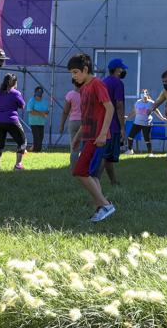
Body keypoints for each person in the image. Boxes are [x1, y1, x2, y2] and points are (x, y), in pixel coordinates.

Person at [68, 53, 116, 223]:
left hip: (97, 138)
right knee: (93, 175)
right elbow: (87, 116)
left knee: (80, 171)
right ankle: (100, 209)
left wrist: (103, 133)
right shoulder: (83, 88)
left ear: (85, 69)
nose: (73, 76)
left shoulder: (97, 84)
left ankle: (106, 205)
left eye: (75, 72)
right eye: (71, 73)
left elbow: (110, 108)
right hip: (88, 137)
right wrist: (77, 136)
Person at [0, 73, 28, 170]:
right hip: (11, 120)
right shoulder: (15, 93)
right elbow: (22, 105)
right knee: (22, 141)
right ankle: (18, 165)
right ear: (15, 82)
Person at [100, 59, 128, 185]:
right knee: (104, 156)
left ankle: (113, 181)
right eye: (122, 68)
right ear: (117, 70)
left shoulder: (103, 82)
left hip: (102, 123)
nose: (123, 70)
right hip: (113, 125)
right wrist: (122, 127)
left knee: (108, 156)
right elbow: (119, 105)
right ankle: (94, 182)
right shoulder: (118, 83)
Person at [127, 89, 162, 155]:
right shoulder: (137, 102)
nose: (143, 94)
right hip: (137, 123)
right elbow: (134, 112)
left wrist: (162, 118)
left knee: (147, 139)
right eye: (142, 93)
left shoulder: (151, 103)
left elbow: (156, 111)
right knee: (130, 136)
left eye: (145, 93)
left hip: (146, 124)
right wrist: (128, 117)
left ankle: (150, 153)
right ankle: (130, 150)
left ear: (147, 94)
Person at [60, 80, 83, 161]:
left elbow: (65, 112)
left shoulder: (70, 95)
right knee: (85, 147)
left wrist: (62, 125)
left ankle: (73, 166)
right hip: (84, 122)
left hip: (73, 122)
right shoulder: (86, 94)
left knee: (74, 147)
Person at [26, 86, 49, 153]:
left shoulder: (44, 101)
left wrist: (45, 113)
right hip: (33, 122)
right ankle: (35, 150)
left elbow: (47, 111)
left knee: (41, 137)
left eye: (40, 94)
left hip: (41, 122)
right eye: (37, 94)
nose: (38, 96)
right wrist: (41, 113)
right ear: (35, 93)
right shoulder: (32, 100)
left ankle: (38, 149)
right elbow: (30, 111)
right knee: (36, 136)